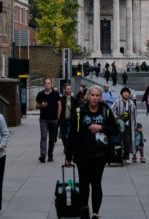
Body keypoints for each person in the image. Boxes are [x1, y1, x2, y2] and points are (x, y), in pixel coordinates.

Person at [65, 84, 120, 219]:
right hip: (82, 155)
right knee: (84, 184)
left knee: (96, 184)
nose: (94, 98)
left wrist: (101, 127)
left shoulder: (105, 109)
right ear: (88, 96)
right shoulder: (79, 111)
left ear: (100, 97)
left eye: (97, 96)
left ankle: (95, 213)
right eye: (92, 95)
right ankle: (84, 208)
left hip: (99, 155)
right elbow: (71, 134)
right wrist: (68, 155)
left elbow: (115, 129)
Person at [35, 77, 61, 163]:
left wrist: (58, 116)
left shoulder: (56, 94)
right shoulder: (40, 94)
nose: (47, 85)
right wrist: (41, 105)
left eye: (49, 83)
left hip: (54, 119)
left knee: (52, 138)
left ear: (51, 84)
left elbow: (59, 105)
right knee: (43, 137)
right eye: (46, 83)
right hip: (43, 119)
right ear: (44, 84)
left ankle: (50, 154)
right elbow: (36, 106)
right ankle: (42, 155)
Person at [111, 86, 137, 163]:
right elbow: (111, 110)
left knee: (127, 141)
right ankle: (118, 156)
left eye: (127, 92)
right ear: (122, 94)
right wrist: (115, 116)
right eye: (124, 92)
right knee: (119, 140)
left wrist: (135, 125)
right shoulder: (117, 101)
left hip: (129, 125)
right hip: (119, 124)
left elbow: (135, 115)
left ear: (129, 94)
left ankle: (126, 157)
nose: (126, 94)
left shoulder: (131, 103)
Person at [59, 83, 74, 166]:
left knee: (69, 135)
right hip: (63, 121)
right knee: (63, 136)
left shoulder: (73, 99)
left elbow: (76, 109)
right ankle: (66, 146)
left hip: (70, 121)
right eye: (67, 89)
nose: (68, 90)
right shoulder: (61, 99)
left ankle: (68, 148)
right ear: (64, 90)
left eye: (69, 89)